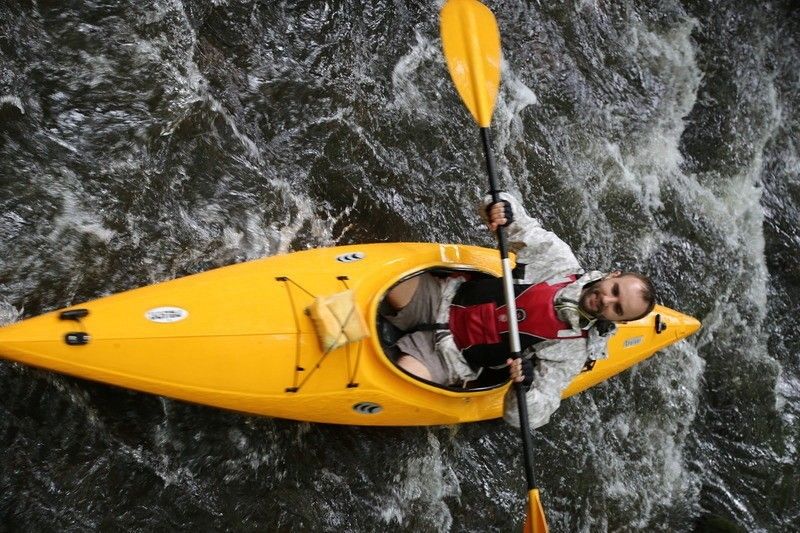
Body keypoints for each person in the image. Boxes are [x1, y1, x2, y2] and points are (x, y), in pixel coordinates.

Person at [381, 193, 656, 429]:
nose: (607, 300)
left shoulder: (573, 350)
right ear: (613, 275)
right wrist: (499, 208)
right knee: (387, 277)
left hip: (448, 356)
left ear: (617, 320)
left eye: (617, 308)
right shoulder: (558, 261)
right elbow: (516, 219)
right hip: (441, 297)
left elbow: (531, 415)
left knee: (394, 381)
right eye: (615, 290)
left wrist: (525, 386)